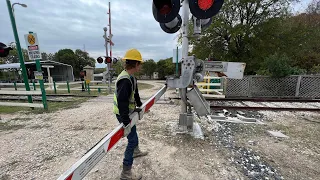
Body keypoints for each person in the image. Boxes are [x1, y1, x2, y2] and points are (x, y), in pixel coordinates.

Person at [113, 48, 148, 180]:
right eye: (140, 64)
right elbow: (122, 102)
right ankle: (126, 173)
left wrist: (140, 106)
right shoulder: (125, 80)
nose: (141, 66)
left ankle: (136, 151)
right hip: (123, 114)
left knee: (133, 134)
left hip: (128, 112)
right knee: (131, 140)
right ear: (136, 64)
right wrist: (126, 121)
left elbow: (136, 94)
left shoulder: (132, 78)